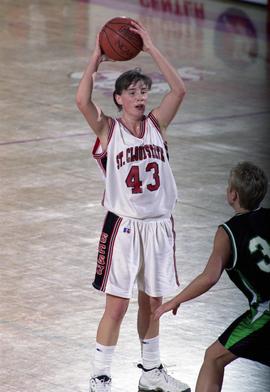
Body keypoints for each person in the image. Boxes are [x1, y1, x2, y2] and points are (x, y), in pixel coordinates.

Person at [76, 20, 191, 392]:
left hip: (158, 225)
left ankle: (151, 371)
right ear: (119, 98)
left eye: (144, 91)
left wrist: (151, 47)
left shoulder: (158, 124)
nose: (141, 96)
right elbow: (81, 100)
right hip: (123, 226)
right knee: (117, 306)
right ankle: (100, 376)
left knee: (152, 302)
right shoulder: (109, 130)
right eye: (133, 91)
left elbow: (180, 89)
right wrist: (96, 57)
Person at [155, 161, 270, 392]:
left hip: (265, 313)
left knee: (213, 358)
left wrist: (176, 299)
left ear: (233, 195)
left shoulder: (228, 233)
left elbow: (209, 277)